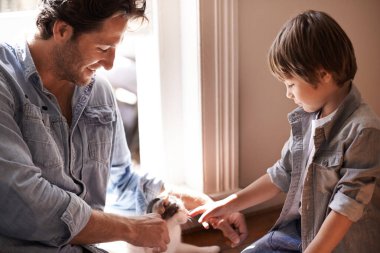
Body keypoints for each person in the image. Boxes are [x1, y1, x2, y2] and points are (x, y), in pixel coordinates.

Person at [0, 0, 247, 252]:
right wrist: (129, 228)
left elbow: (121, 182)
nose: (109, 64)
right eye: (103, 47)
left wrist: (197, 202)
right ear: (62, 30)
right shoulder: (5, 84)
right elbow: (23, 200)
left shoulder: (98, 93)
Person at [190, 10, 380, 253]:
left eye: (290, 84)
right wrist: (227, 204)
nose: (288, 94)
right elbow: (282, 173)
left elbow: (345, 209)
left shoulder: (365, 131)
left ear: (323, 74)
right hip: (299, 232)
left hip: (336, 244)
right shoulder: (308, 119)